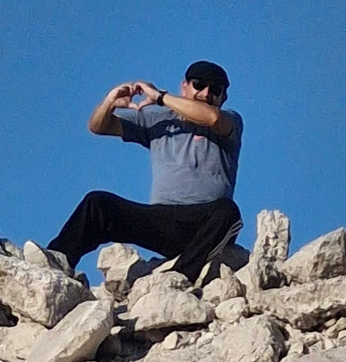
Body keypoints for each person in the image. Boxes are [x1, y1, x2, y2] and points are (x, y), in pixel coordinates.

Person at [47, 61, 243, 283]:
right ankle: (56, 260)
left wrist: (160, 96)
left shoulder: (231, 121)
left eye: (215, 90)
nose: (206, 94)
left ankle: (179, 277)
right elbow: (98, 126)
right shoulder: (159, 119)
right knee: (98, 203)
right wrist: (110, 102)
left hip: (203, 222)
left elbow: (212, 118)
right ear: (185, 86)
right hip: (162, 220)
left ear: (223, 97)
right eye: (199, 85)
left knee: (228, 212)